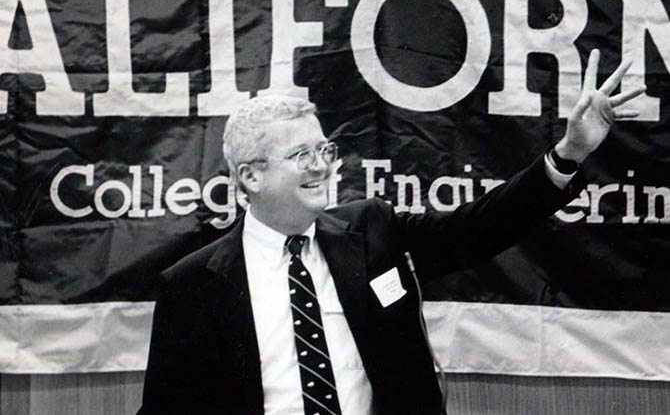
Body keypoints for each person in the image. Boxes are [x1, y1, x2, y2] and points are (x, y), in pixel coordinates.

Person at [138, 50, 644, 415]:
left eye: (324, 151)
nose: (322, 168)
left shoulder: (370, 232)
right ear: (250, 176)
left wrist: (569, 154)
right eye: (301, 156)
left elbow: (480, 229)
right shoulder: (193, 285)